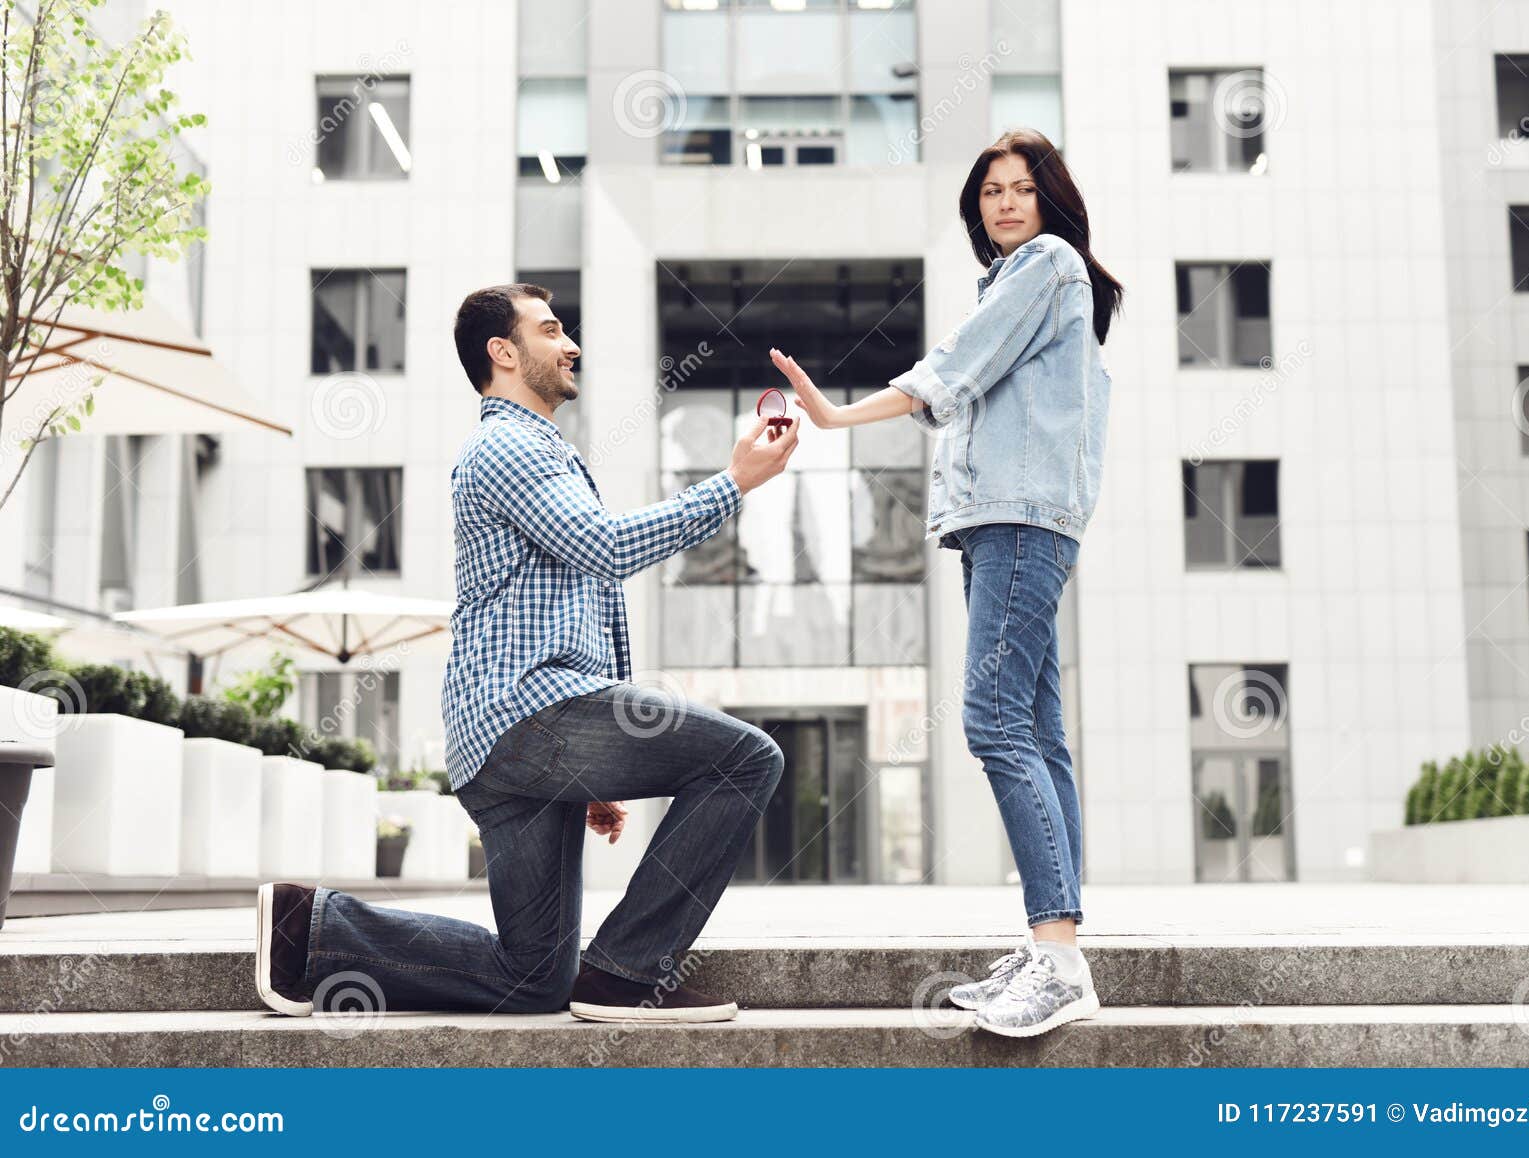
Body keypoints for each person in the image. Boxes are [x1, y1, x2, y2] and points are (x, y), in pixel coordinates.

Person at [254, 282, 800, 1024]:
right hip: (528, 711)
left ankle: (309, 931)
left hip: (520, 734)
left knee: (533, 977)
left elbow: (585, 604)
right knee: (747, 759)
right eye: (550, 331)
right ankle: (631, 972)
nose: (570, 344)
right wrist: (731, 485)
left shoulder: (536, 452)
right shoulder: (509, 446)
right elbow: (605, 549)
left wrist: (599, 761)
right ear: (503, 353)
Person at [767, 129, 1121, 1037]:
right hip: (1008, 518)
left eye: (1021, 189)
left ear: (1051, 201)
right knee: (1037, 729)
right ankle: (1055, 948)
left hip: (1018, 517)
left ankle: (1059, 959)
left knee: (993, 722)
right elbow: (972, 387)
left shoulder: (1046, 264)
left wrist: (838, 413)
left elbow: (952, 373)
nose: (1005, 204)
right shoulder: (1021, 279)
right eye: (991, 193)